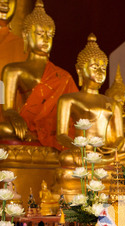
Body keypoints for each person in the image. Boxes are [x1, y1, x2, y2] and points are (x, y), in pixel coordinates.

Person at [0, 0, 78, 148]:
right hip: (24, 124)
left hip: (53, 129)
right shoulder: (12, 69)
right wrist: (14, 115)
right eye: (40, 34)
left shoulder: (61, 76)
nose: (46, 39)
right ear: (26, 35)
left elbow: (72, 113)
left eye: (50, 35)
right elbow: (8, 108)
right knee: (3, 129)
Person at [56, 33, 125, 165]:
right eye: (94, 67)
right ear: (79, 70)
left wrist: (114, 149)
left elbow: (120, 137)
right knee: (66, 159)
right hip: (84, 152)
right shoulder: (68, 99)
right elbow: (61, 135)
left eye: (103, 68)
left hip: (107, 153)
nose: (100, 72)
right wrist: (75, 147)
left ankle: (105, 162)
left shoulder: (113, 104)